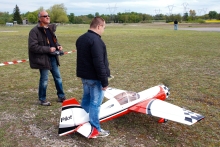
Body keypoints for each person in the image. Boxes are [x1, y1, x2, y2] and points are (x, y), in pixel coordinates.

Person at [76, 16, 110, 138]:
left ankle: (81, 121)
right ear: (98, 26)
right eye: (103, 27)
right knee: (95, 103)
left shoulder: (81, 39)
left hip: (84, 77)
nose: (103, 30)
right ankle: (96, 129)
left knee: (86, 99)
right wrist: (104, 81)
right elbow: (99, 62)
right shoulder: (96, 41)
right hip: (94, 78)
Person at [28, 10, 66, 106]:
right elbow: (33, 47)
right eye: (45, 16)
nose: (47, 17)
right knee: (44, 79)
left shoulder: (50, 29)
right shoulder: (34, 31)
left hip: (53, 58)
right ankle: (42, 99)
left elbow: (53, 42)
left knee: (58, 78)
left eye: (48, 15)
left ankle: (61, 96)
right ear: (39, 18)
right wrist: (48, 49)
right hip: (43, 59)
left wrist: (58, 46)